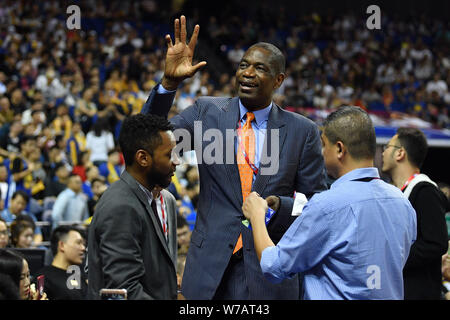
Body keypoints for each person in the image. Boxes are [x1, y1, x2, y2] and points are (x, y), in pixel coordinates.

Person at [141, 15, 326, 299]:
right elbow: (149, 141)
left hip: (270, 272)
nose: (248, 73)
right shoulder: (206, 112)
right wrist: (168, 84)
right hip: (208, 271)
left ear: (278, 79)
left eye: (259, 68)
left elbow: (316, 204)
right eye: (243, 65)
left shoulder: (303, 131)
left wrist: (279, 207)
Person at [242, 106, 417, 299]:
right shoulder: (403, 203)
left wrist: (257, 216)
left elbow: (273, 267)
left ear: (340, 149)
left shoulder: (327, 205)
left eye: (324, 145)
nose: (322, 152)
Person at [87, 114, 180, 300]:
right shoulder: (121, 206)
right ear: (143, 158)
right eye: (169, 155)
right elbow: (124, 288)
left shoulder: (153, 199)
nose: (176, 161)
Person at [381, 127, 448, 299]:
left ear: (400, 153)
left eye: (387, 147)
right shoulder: (394, 192)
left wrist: (393, 258)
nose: (382, 153)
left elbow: (435, 243)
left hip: (419, 292)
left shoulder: (425, 190)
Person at [36, 226, 87, 300]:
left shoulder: (79, 276)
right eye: (78, 243)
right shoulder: (43, 278)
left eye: (83, 244)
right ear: (62, 245)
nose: (83, 248)